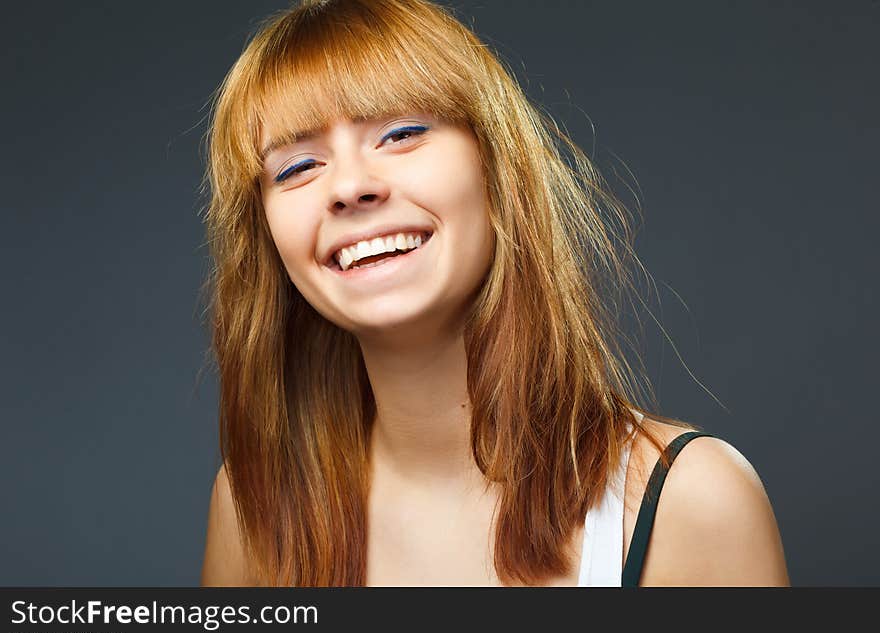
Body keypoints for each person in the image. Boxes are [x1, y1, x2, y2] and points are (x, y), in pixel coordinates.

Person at [199, 0, 789, 587]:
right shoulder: (251, 506)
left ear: (496, 166)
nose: (349, 186)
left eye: (402, 133)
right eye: (296, 167)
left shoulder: (692, 503)